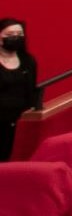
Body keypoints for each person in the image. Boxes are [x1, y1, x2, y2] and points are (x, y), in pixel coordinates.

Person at [0, 17, 34, 159]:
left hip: (18, 122)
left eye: (19, 35)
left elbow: (30, 90)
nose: (15, 38)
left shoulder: (27, 61)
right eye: (10, 35)